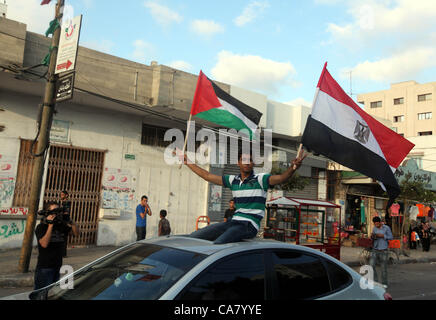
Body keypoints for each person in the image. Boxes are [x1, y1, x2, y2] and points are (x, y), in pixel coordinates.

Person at [180, 146, 307, 244]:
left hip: (249, 226)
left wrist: (293, 167)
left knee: (218, 244)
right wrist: (188, 162)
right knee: (194, 237)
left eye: (250, 160)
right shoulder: (232, 180)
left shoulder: (260, 179)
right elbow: (207, 175)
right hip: (233, 222)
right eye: (244, 160)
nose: (247, 162)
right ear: (238, 163)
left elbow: (281, 178)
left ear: (253, 163)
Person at [34, 201, 79, 291]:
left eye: (58, 211)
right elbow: (44, 244)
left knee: (52, 294)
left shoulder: (61, 225)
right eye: (54, 211)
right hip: (45, 267)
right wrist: (50, 225)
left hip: (57, 266)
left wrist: (71, 222)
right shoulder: (41, 227)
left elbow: (76, 234)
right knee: (41, 294)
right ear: (47, 213)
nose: (56, 214)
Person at [369, 216, 393, 288]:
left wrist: (383, 236)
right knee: (371, 264)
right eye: (375, 224)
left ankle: (384, 283)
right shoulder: (374, 228)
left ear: (380, 222)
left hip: (384, 250)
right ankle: (375, 281)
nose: (376, 225)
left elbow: (391, 237)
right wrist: (373, 236)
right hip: (375, 249)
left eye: (377, 224)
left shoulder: (386, 228)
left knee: (383, 268)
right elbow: (373, 236)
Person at [59, 190, 72, 258]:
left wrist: (60, 213)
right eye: (61, 195)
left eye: (62, 195)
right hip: (62, 221)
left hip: (65, 221)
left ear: (66, 195)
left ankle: (63, 254)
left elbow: (66, 212)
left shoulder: (67, 202)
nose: (61, 196)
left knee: (64, 238)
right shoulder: (62, 202)